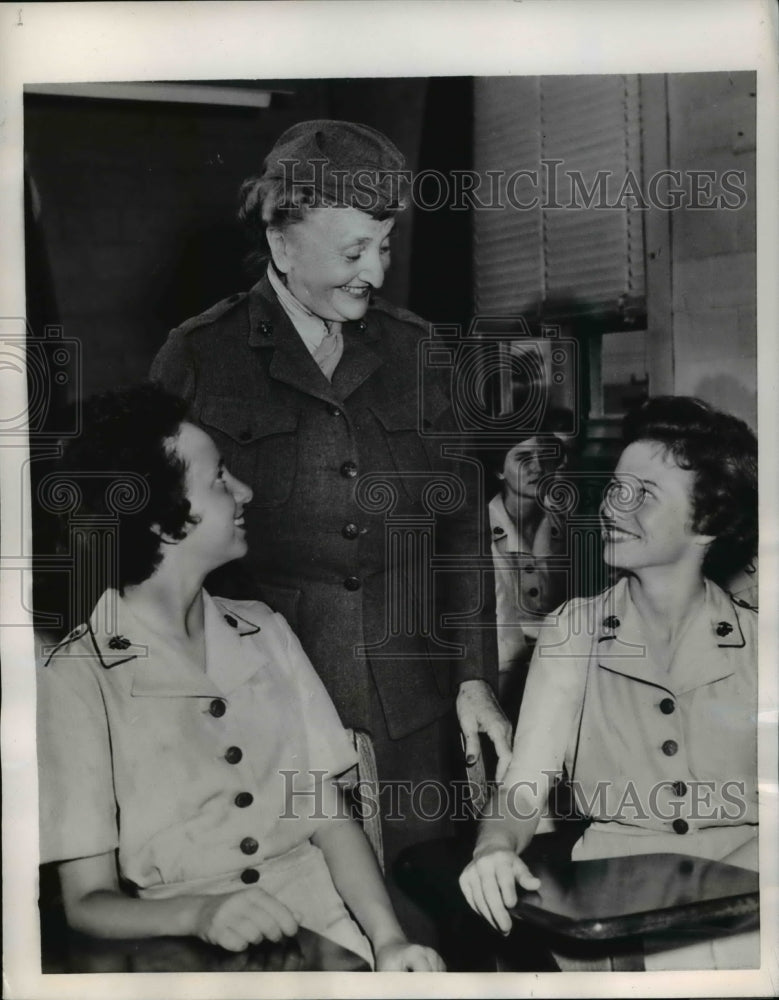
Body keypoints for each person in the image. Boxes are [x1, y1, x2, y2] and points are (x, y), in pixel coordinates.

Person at [150, 120, 510, 938]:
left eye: (383, 246)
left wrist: (471, 676)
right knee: (303, 931)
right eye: (352, 252)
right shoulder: (201, 355)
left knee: (427, 924)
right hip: (265, 706)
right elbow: (160, 547)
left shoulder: (417, 351)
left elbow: (456, 531)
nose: (375, 273)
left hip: (412, 697)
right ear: (282, 239)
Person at [37, 383, 444, 971]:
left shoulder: (266, 631)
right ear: (164, 523)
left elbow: (329, 819)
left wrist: (388, 941)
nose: (245, 491)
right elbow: (86, 903)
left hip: (327, 931)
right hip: (182, 954)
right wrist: (200, 914)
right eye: (221, 479)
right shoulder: (77, 674)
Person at [460, 396, 758, 969]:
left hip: (750, 883)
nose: (613, 506)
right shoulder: (573, 631)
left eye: (643, 494)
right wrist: (494, 848)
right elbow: (524, 789)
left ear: (708, 522)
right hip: (612, 907)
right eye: (616, 488)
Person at [485, 411, 573, 716]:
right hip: (506, 676)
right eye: (523, 458)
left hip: (563, 662)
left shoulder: (562, 524)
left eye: (541, 457)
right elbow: (500, 630)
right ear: (499, 471)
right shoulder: (480, 532)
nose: (537, 468)